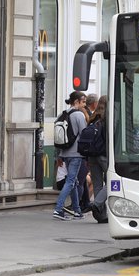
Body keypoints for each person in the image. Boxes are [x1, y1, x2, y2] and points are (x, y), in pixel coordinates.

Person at [53, 91, 89, 221]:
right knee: (70, 181)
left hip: (65, 152)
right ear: (76, 102)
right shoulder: (79, 115)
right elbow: (84, 134)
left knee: (74, 181)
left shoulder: (62, 114)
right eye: (83, 101)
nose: (84, 104)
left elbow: (58, 136)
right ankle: (58, 209)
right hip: (76, 154)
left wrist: (58, 156)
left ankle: (77, 211)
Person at [86, 95, 109, 223]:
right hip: (103, 154)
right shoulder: (106, 118)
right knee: (112, 180)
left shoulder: (93, 117)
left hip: (91, 155)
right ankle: (97, 203)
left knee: (97, 184)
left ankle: (101, 216)